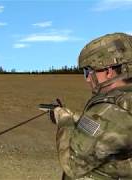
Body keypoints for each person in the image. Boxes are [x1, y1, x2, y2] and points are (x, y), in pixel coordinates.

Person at [53, 33, 132, 180]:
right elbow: (110, 132)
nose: (88, 78)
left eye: (88, 71)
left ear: (109, 72)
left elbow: (71, 165)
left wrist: (64, 120)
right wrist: (76, 117)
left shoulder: (108, 109)